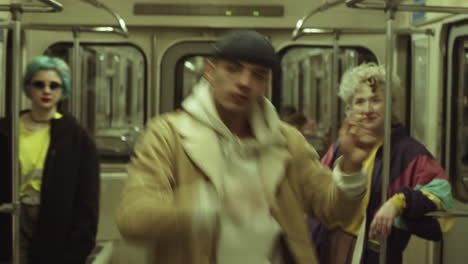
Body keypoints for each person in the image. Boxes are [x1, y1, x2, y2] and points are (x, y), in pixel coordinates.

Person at [116, 30, 378, 264]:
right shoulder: (168, 135)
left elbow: (333, 212)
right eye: (233, 69)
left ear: (266, 84)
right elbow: (134, 218)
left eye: (258, 75)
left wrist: (352, 166)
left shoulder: (286, 141)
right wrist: (211, 203)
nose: (244, 82)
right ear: (210, 72)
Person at [313, 63, 455, 264]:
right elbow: (316, 196)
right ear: (350, 108)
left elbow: (443, 201)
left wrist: (399, 203)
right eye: (359, 101)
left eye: (376, 100)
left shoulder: (409, 153)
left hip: (375, 254)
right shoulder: (340, 147)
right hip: (326, 245)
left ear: (391, 104)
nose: (367, 109)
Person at [0, 56, 100, 264]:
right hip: (10, 217)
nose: (46, 91)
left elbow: (87, 199)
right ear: (28, 88)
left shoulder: (76, 137)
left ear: (63, 90)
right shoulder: (6, 130)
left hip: (53, 222)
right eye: (39, 84)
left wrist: (78, 248)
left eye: (54, 86)